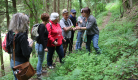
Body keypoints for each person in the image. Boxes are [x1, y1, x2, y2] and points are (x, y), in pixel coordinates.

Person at [7, 13, 33, 80]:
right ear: (23, 22)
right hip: (21, 65)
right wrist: (30, 45)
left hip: (13, 61)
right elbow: (26, 53)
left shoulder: (10, 33)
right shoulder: (22, 36)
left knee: (17, 78)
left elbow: (9, 49)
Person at [35, 13, 49, 79]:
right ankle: (38, 74)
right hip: (40, 45)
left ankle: (40, 70)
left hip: (41, 45)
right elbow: (41, 37)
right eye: (48, 18)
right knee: (40, 60)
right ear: (47, 19)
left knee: (41, 59)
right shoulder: (42, 26)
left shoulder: (44, 25)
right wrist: (45, 47)